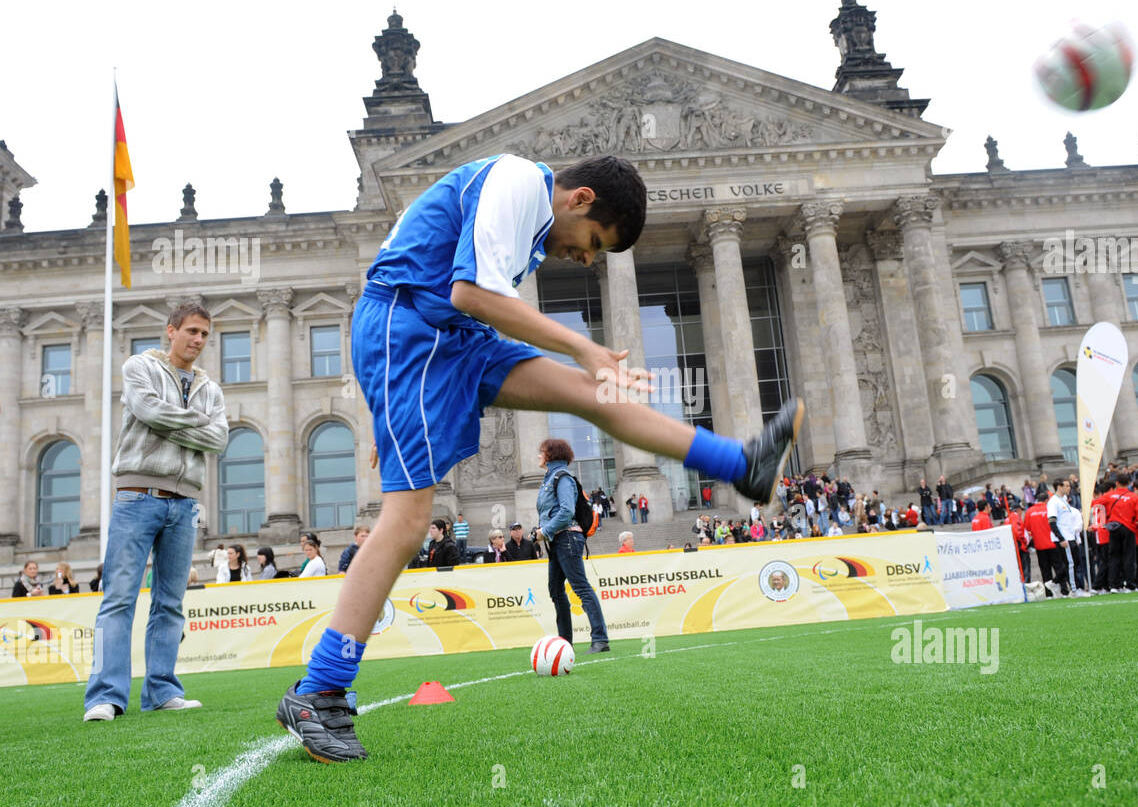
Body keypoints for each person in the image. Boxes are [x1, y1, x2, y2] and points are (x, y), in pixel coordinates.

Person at [274, 152, 802, 762]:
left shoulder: (528, 216)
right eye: (594, 242)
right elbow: (468, 291)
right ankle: (320, 689)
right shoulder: (518, 181)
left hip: (450, 340)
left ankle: (743, 462)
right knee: (409, 519)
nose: (586, 258)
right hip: (410, 331)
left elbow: (467, 296)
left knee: (593, 395)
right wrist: (582, 345)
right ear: (578, 199)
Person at [84, 302, 227, 721]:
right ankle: (105, 697)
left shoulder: (211, 390)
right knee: (119, 599)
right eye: (192, 331)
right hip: (137, 496)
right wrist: (198, 425)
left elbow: (220, 439)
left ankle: (162, 690)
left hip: (185, 505)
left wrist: (184, 424)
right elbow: (148, 411)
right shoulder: (139, 368)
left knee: (170, 602)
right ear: (171, 331)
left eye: (204, 334)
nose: (198, 340)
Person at [536, 439, 610, 651]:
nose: (538, 455)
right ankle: (564, 643)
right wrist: (541, 530)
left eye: (541, 452)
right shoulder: (549, 478)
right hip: (558, 539)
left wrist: (545, 531)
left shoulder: (562, 477)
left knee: (580, 587)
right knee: (555, 590)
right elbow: (550, 511)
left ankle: (600, 639)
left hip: (567, 538)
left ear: (551, 454)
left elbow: (567, 511)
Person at [1024, 490, 1069, 598]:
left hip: (1040, 546)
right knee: (1059, 568)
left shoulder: (1030, 512)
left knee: (1045, 570)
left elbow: (1028, 528)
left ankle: (1049, 594)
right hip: (1053, 544)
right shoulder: (1049, 509)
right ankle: (1064, 591)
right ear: (1047, 500)